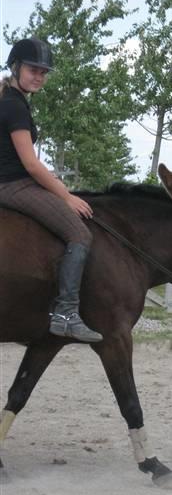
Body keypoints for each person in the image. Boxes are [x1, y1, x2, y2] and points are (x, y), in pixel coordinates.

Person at [0, 37, 102, 343]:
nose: (39, 77)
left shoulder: (10, 101)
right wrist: (66, 195)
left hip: (11, 183)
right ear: (16, 67)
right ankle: (66, 313)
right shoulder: (15, 108)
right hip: (14, 186)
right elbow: (31, 165)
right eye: (33, 70)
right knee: (80, 234)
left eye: (44, 72)